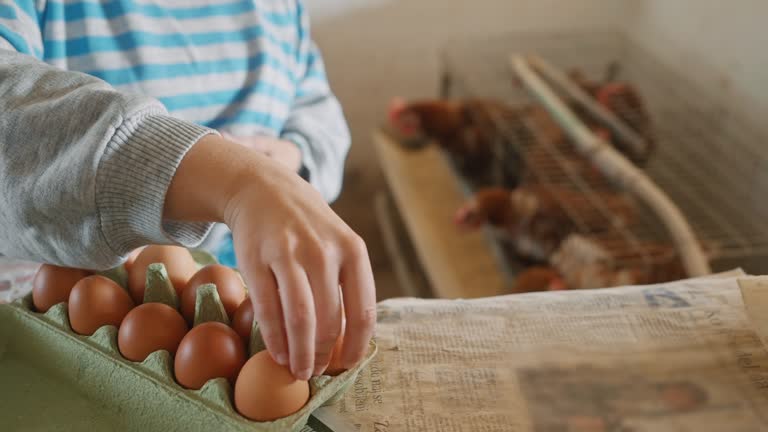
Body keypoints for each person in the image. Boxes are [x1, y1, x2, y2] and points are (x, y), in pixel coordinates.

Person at [0, 0, 375, 382]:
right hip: (53, 334)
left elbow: (317, 114)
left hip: (245, 312)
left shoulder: (278, 9)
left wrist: (290, 159)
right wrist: (236, 181)